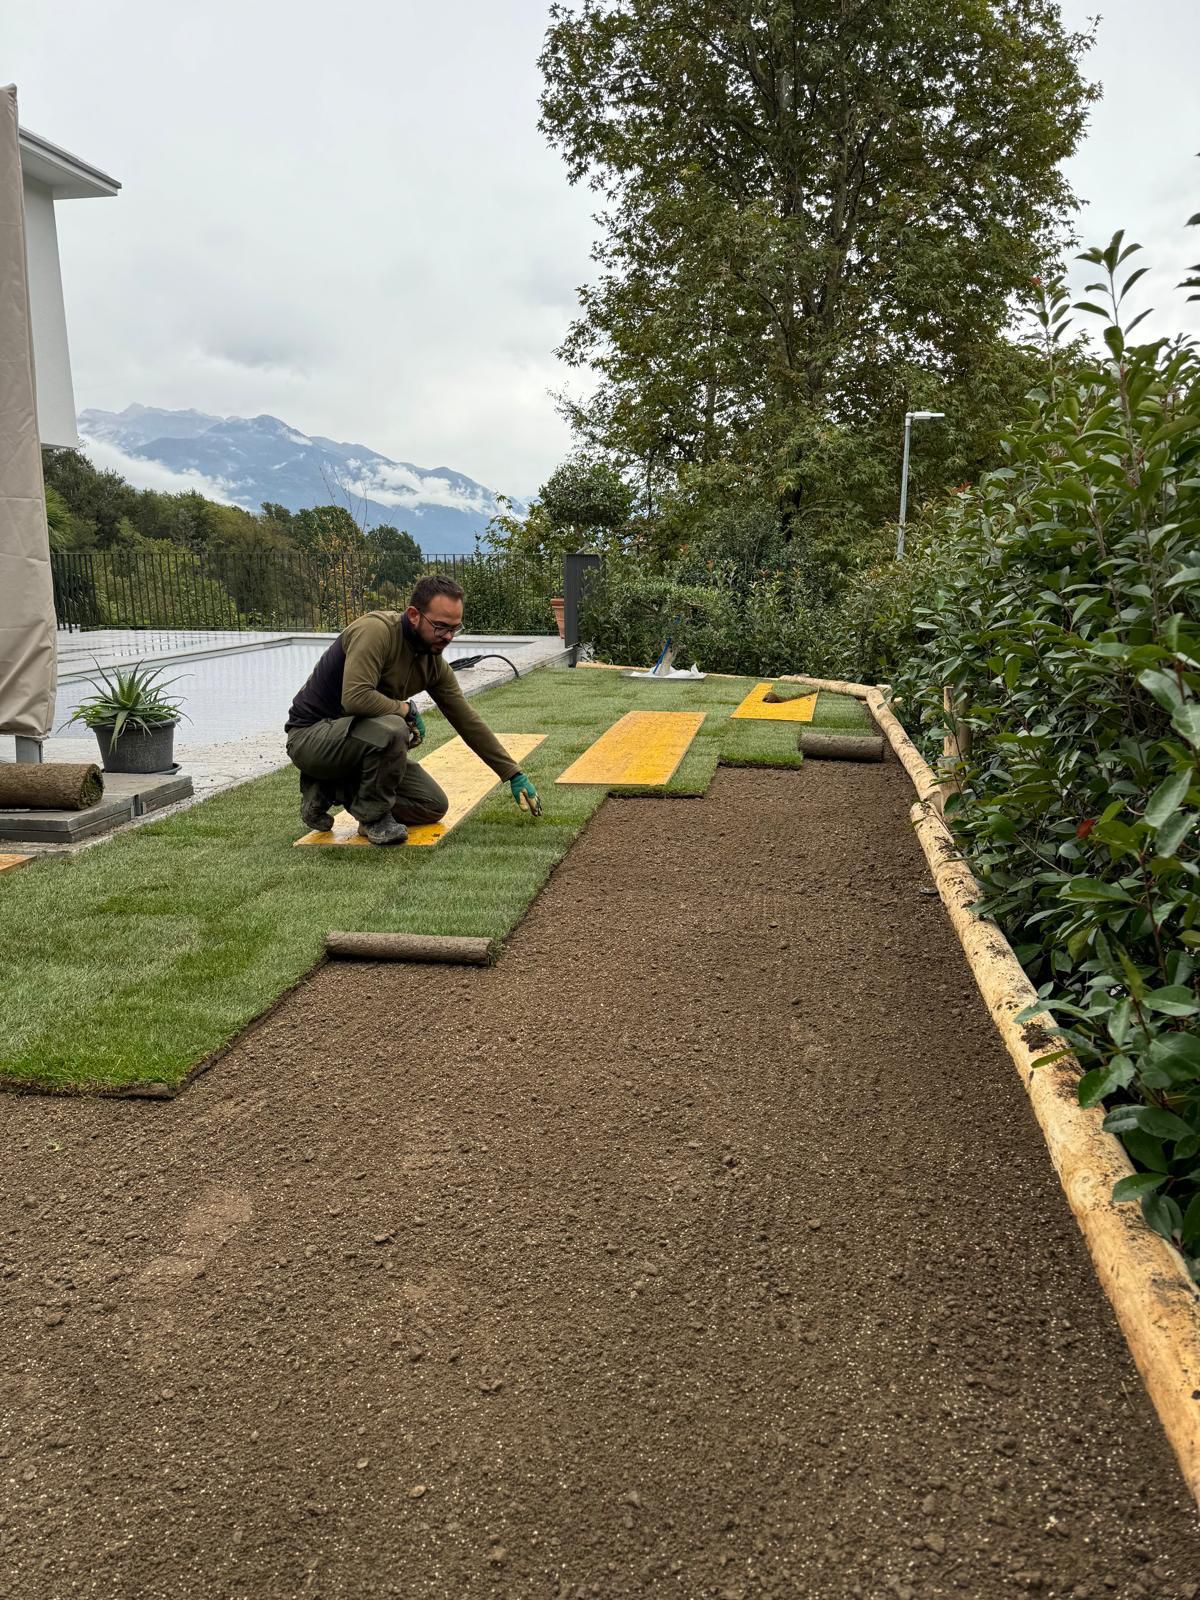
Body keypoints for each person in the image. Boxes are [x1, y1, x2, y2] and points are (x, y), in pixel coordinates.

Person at [284, 574, 541, 845]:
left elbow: (467, 720)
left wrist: (512, 773)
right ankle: (373, 818)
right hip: (310, 737)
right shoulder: (376, 631)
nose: (449, 637)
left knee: (431, 805)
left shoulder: (431, 662)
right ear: (414, 615)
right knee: (394, 728)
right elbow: (355, 697)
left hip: (357, 740)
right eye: (440, 626)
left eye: (455, 628)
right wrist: (406, 709)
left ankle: (330, 787)